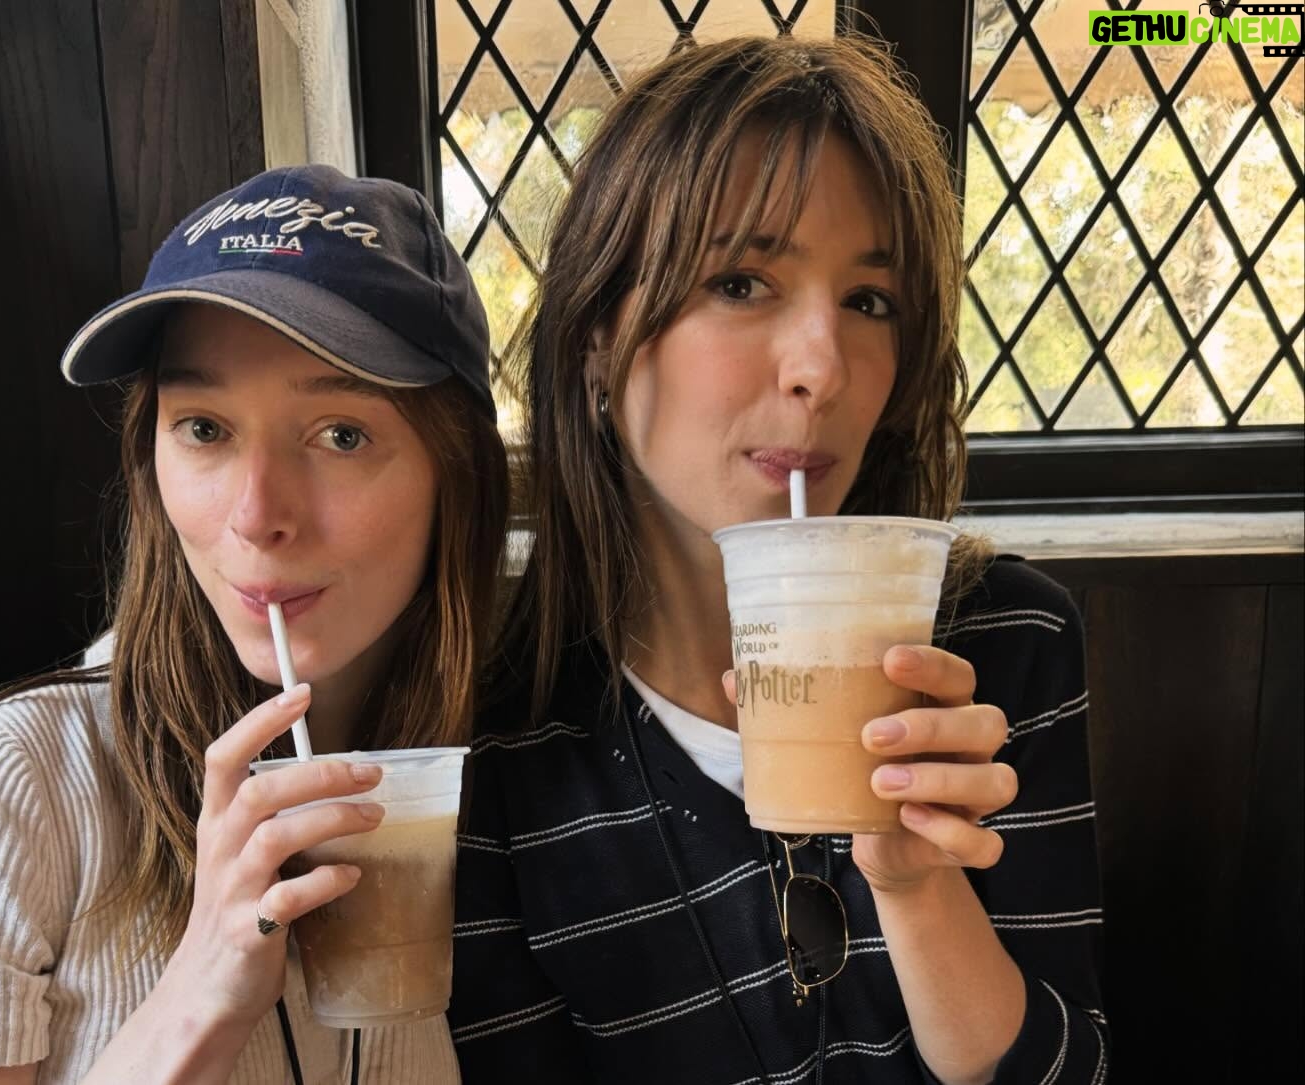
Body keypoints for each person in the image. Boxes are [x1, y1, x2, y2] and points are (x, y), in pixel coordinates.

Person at [448, 35, 1108, 1085]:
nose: (822, 367)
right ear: (597, 339)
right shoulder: (498, 743)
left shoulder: (1001, 644)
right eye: (743, 281)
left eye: (869, 301)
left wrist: (917, 884)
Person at [0, 165, 508, 1084]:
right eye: (205, 427)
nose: (256, 515)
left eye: (341, 434)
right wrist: (199, 998)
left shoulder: (512, 780)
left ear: (460, 474)